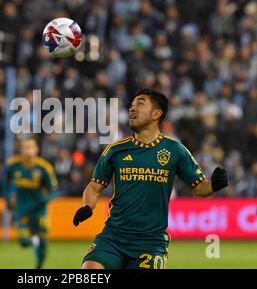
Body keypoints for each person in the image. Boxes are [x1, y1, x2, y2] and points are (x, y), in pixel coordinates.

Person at [73, 88, 229, 269]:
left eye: (140, 104)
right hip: (113, 237)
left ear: (156, 114)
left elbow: (199, 187)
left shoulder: (175, 150)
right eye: (131, 105)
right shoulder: (115, 150)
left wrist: (214, 185)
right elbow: (94, 187)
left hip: (151, 242)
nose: (132, 109)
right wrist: (87, 206)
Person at [5, 137, 58, 269]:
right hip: (22, 210)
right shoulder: (12, 165)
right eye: (25, 148)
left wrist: (45, 199)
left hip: (40, 210)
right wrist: (8, 200)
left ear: (36, 150)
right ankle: (34, 241)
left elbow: (54, 190)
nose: (28, 151)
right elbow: (4, 184)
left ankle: (39, 266)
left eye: (30, 147)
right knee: (23, 241)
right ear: (20, 149)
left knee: (44, 242)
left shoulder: (44, 168)